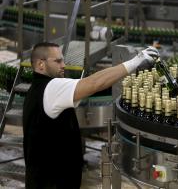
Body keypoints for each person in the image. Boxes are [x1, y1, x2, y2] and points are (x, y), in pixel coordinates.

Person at [23, 42, 159, 189]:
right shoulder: (52, 88)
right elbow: (95, 83)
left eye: (62, 60)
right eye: (57, 61)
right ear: (40, 64)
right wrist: (135, 62)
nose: (63, 65)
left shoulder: (37, 90)